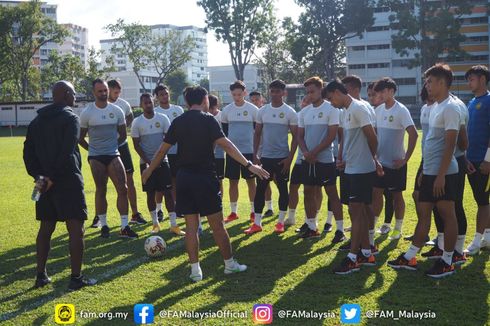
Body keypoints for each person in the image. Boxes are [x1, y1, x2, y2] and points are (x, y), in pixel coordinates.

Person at [141, 86, 269, 282]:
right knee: (217, 225)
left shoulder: (178, 121)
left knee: (191, 227)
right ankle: (229, 265)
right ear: (204, 101)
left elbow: (161, 151)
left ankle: (195, 271)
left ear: (186, 102)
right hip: (205, 179)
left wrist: (148, 171)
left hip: (183, 179)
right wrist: (249, 165)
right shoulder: (208, 119)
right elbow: (226, 144)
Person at [388, 64, 460, 278]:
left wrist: (439, 176)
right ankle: (410, 256)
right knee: (423, 215)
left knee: (448, 216)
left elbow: (451, 145)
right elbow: (431, 143)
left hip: (445, 174)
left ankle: (447, 260)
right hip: (429, 172)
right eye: (426, 81)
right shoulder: (435, 106)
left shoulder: (450, 107)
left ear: (441, 82)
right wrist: (425, 172)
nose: (426, 85)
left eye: (430, 81)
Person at [23, 80, 96, 291]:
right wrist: (52, 177)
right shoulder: (71, 118)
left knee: (46, 227)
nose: (75, 97)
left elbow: (28, 154)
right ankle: (76, 277)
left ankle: (41, 275)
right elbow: (66, 151)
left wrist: (40, 177)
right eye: (73, 93)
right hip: (67, 180)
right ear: (65, 94)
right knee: (76, 228)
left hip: (43, 182)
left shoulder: (36, 121)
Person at [325, 79, 380, 274]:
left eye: (331, 98)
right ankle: (366, 253)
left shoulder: (358, 108)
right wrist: (344, 158)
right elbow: (351, 141)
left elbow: (372, 137)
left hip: (362, 170)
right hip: (351, 169)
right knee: (359, 212)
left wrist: (374, 160)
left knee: (357, 213)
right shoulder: (346, 111)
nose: (331, 103)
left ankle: (353, 257)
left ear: (338, 93)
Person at [79, 79, 138, 239]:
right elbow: (80, 138)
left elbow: (123, 134)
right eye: (100, 91)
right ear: (94, 93)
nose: (103, 93)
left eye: (105, 90)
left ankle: (124, 226)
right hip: (96, 157)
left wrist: (112, 148)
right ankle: (104, 225)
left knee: (123, 188)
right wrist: (92, 151)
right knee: (101, 189)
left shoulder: (117, 110)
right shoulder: (87, 113)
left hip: (113, 154)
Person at [246, 80, 297, 234]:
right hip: (265, 158)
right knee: (260, 189)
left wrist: (289, 158)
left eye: (277, 91)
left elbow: (296, 137)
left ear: (284, 93)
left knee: (282, 188)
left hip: (282, 158)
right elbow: (257, 134)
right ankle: (257, 223)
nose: (274, 94)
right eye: (272, 91)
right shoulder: (262, 111)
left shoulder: (290, 112)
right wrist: (255, 155)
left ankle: (280, 222)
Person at [297, 77, 344, 241]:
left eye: (312, 91)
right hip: (308, 160)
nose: (309, 95)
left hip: (325, 159)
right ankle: (312, 227)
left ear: (320, 90)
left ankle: (340, 229)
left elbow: (332, 135)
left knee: (332, 193)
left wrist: (314, 152)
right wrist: (305, 152)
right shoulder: (304, 112)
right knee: (308, 192)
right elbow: (299, 136)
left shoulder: (332, 109)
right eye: (307, 92)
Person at [371, 78, 418, 241]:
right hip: (380, 163)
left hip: (396, 164)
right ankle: (373, 226)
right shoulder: (378, 110)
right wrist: (374, 156)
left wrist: (405, 159)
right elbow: (374, 135)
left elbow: (414, 134)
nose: (381, 95)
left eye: (384, 91)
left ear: (391, 91)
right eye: (379, 92)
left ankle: (397, 229)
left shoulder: (401, 110)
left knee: (397, 196)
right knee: (376, 193)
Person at [106, 79, 146, 225]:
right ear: (108, 89)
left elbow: (130, 117)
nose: (117, 95)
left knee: (129, 179)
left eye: (119, 92)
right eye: (115, 92)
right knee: (102, 182)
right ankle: (100, 217)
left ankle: (135, 213)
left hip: (122, 145)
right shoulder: (100, 105)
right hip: (106, 148)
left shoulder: (123, 104)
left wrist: (123, 127)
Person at [131, 93, 172, 234]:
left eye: (150, 102)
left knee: (168, 192)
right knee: (150, 193)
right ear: (141, 105)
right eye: (145, 103)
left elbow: (168, 140)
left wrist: (159, 159)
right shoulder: (137, 122)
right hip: (145, 163)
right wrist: (150, 162)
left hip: (164, 161)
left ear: (153, 102)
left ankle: (173, 224)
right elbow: (136, 146)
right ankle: (155, 224)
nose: (148, 105)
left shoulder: (163, 118)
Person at [221, 81, 259, 223]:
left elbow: (258, 132)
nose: (237, 97)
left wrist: (256, 152)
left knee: (251, 181)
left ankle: (254, 211)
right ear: (231, 94)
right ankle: (233, 212)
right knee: (233, 182)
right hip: (232, 153)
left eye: (239, 94)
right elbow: (224, 133)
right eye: (234, 94)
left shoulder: (253, 109)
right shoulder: (227, 110)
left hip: (249, 152)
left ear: (245, 92)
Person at [464, 65, 490, 254]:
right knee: (481, 200)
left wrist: (488, 160)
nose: (468, 83)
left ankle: (476, 241)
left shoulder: (489, 101)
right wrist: (465, 157)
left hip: (484, 161)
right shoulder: (472, 102)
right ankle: (487, 237)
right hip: (471, 161)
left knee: (482, 202)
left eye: (471, 79)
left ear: (482, 79)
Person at [153, 85, 185, 236]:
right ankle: (159, 210)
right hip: (164, 153)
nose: (164, 96)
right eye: (161, 94)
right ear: (157, 97)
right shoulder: (156, 112)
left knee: (176, 180)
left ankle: (178, 207)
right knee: (161, 185)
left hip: (178, 152)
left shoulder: (178, 110)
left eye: (166, 93)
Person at [250, 90, 274, 217]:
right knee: (262, 180)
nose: (254, 102)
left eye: (257, 100)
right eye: (252, 100)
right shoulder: (251, 114)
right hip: (257, 151)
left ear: (262, 100)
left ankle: (277, 206)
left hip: (270, 152)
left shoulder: (266, 113)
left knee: (275, 179)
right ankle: (268, 207)